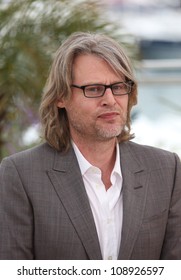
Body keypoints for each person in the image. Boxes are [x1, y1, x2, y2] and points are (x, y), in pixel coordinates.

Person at [0, 32, 181, 260]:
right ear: (61, 97)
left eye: (118, 87)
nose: (110, 100)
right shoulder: (21, 175)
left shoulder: (167, 169)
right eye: (94, 89)